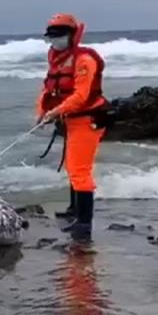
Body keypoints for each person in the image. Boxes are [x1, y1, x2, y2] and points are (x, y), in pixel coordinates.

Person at [36, 13, 109, 242]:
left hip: (87, 120)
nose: (54, 41)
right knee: (72, 166)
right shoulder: (55, 57)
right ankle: (73, 209)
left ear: (72, 35)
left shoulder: (84, 60)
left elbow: (81, 95)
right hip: (69, 119)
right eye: (51, 37)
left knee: (80, 170)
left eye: (59, 36)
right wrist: (41, 112)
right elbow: (48, 88)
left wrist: (56, 112)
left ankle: (84, 224)